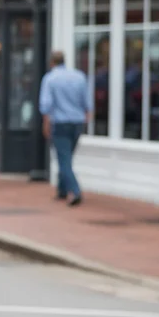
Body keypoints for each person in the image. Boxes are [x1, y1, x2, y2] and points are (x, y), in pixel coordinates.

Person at [39, 50, 92, 206]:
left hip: (60, 123)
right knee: (66, 158)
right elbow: (87, 102)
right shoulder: (79, 76)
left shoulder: (50, 79)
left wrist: (46, 124)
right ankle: (62, 190)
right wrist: (87, 118)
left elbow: (46, 104)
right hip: (77, 122)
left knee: (64, 159)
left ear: (51, 62)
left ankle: (75, 191)